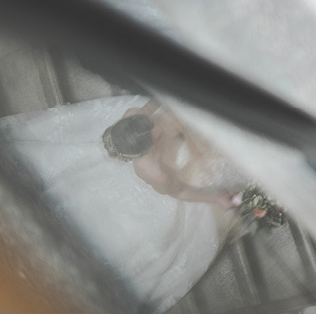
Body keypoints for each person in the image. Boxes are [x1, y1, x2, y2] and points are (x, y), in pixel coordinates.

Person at [1, 95, 246, 313]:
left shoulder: (135, 115)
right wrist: (216, 198)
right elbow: (181, 189)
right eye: (157, 136)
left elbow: (152, 104)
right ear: (149, 147)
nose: (159, 130)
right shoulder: (154, 172)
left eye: (154, 129)